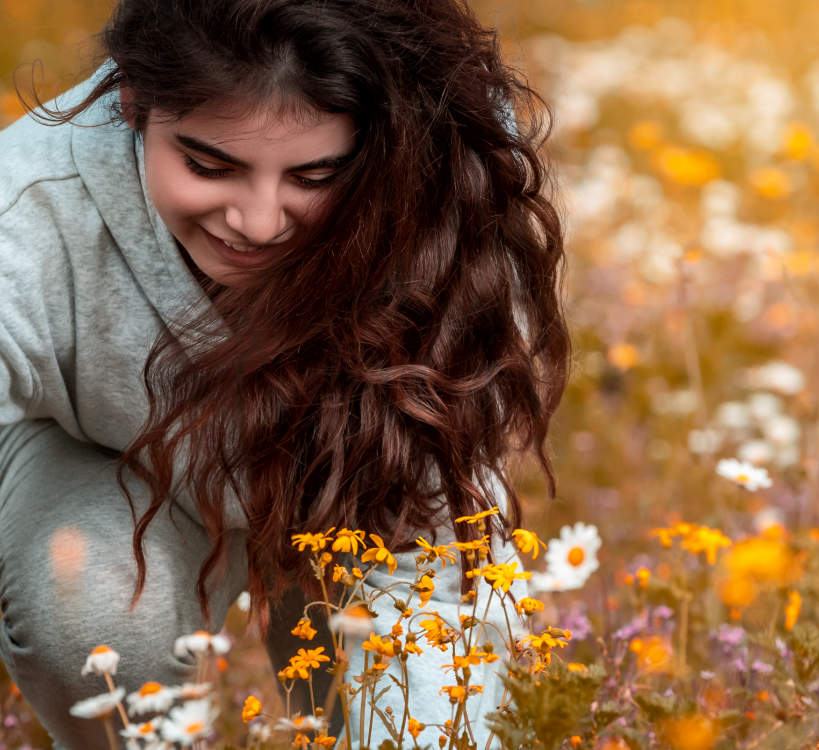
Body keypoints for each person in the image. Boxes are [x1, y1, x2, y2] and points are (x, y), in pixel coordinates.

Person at [0, 0, 569, 747]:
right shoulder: (28, 207)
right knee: (93, 612)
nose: (259, 223)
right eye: (210, 165)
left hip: (364, 478)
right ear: (133, 106)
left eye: (316, 174)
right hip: (111, 456)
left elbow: (424, 523)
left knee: (428, 728)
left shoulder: (452, 189)